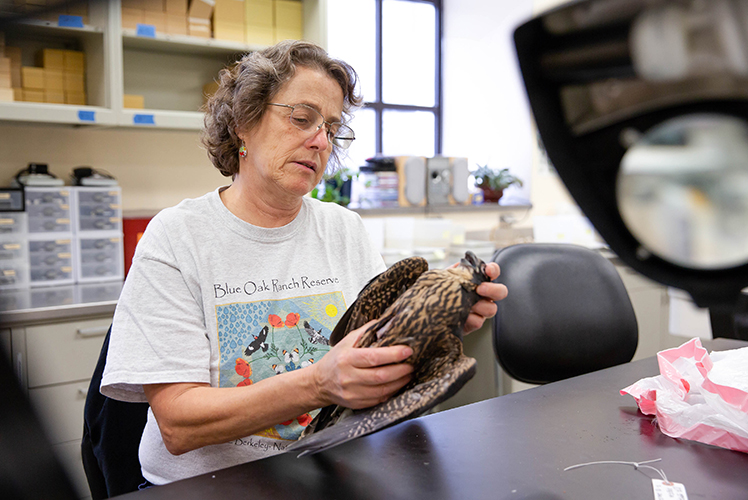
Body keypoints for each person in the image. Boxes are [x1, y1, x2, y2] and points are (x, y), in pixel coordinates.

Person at [100, 40, 507, 486]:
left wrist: (435, 321)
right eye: (301, 118)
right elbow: (178, 424)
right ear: (243, 122)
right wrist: (317, 383)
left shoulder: (344, 229)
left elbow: (373, 360)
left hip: (328, 474)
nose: (320, 141)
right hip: (208, 489)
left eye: (332, 129)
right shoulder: (178, 236)